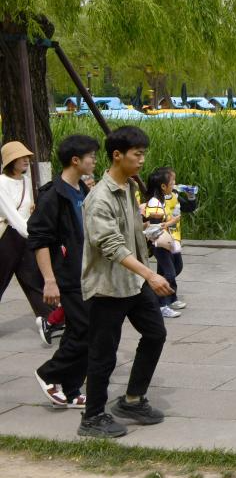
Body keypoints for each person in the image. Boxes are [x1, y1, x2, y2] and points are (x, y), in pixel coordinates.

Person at [79, 126, 173, 438]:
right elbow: (111, 246)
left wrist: (150, 231)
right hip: (108, 286)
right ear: (117, 155)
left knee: (155, 334)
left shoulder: (128, 187)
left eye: (144, 154)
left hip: (134, 282)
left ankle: (132, 400)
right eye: (137, 154)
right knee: (103, 353)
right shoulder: (99, 198)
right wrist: (151, 274)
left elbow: (129, 233)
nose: (142, 160)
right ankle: (92, 417)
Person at [28, 134, 100, 408]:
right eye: (91, 156)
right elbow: (39, 240)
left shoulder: (81, 189)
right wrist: (49, 281)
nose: (94, 160)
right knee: (86, 329)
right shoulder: (53, 195)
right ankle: (48, 373)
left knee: (78, 331)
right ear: (75, 160)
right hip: (67, 274)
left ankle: (71, 389)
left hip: (86, 271)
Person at [0, 141, 55, 333]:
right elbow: (12, 215)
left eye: (26, 157)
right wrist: (35, 235)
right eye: (21, 158)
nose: (26, 160)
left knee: (33, 279)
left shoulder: (25, 180)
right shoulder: (1, 183)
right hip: (6, 238)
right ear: (10, 161)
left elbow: (27, 212)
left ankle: (51, 319)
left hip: (24, 236)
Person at [143, 167, 196, 318]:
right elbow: (154, 228)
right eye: (172, 182)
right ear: (163, 186)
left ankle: (169, 298)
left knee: (176, 267)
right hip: (160, 242)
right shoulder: (154, 202)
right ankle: (160, 304)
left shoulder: (173, 195)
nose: (175, 184)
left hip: (172, 239)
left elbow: (189, 207)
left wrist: (191, 196)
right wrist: (172, 221)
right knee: (169, 273)